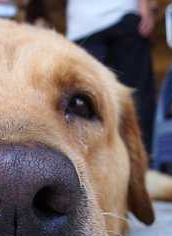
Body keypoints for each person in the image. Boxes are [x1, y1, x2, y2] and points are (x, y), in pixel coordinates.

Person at [67, 0, 156, 155]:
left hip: (95, 21)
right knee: (136, 96)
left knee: (85, 99)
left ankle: (142, 164)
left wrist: (144, 6)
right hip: (91, 22)